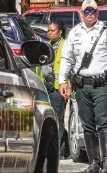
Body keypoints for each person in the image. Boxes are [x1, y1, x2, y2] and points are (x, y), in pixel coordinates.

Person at [58, 0, 107, 173]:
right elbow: (67, 58)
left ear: (97, 13)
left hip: (101, 85)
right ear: (82, 13)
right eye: (86, 11)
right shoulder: (74, 33)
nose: (90, 15)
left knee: (103, 124)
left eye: (92, 11)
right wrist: (62, 81)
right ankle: (94, 162)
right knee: (87, 125)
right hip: (82, 86)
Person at [36, 20, 71, 159]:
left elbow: (68, 69)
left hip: (59, 88)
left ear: (60, 32)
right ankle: (62, 148)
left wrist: (67, 86)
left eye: (52, 31)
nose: (49, 33)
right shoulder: (47, 46)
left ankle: (60, 152)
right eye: (48, 31)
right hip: (46, 88)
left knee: (58, 119)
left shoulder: (65, 46)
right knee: (50, 119)